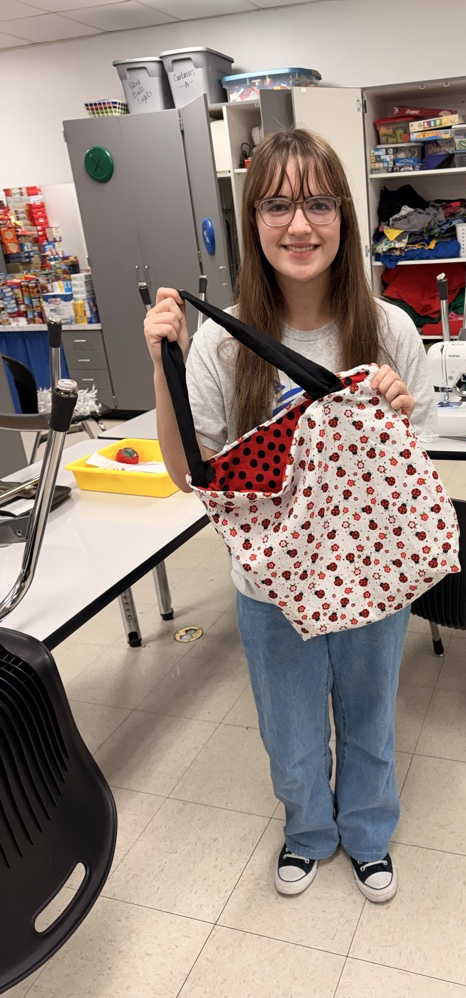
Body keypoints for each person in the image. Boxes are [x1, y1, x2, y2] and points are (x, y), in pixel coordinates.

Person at [143, 128, 439, 904]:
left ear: (344, 217)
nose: (299, 225)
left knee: (371, 716)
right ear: (253, 221)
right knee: (290, 726)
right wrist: (163, 366)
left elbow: (416, 474)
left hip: (373, 578)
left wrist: (398, 416)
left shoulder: (390, 330)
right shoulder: (221, 342)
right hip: (270, 584)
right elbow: (188, 474)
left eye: (318, 204)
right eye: (276, 205)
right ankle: (308, 832)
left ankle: (367, 834)